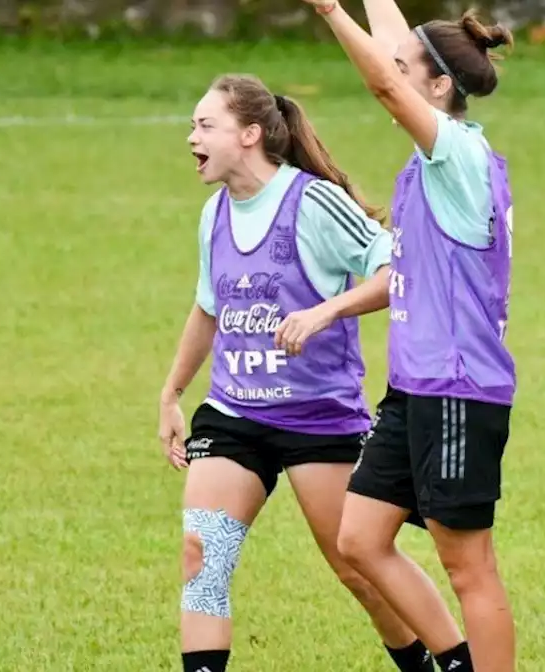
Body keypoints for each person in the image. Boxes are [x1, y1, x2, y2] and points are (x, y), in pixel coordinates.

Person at [158, 74, 445, 672]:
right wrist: (172, 392)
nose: (192, 138)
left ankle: (436, 662)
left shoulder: (312, 202)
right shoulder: (214, 213)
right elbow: (209, 307)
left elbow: (396, 272)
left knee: (359, 568)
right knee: (200, 556)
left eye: (205, 125)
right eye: (193, 126)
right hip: (235, 414)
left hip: (319, 419)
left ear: (251, 133)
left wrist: (325, 311)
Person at [299, 0, 517, 670]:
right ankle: (453, 660)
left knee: (469, 565)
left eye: (407, 73)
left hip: (458, 385)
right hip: (416, 384)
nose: (393, 77)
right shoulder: (437, 151)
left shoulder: (456, 156)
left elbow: (388, 82)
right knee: (360, 538)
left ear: (439, 87)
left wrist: (331, 13)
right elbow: (401, 60)